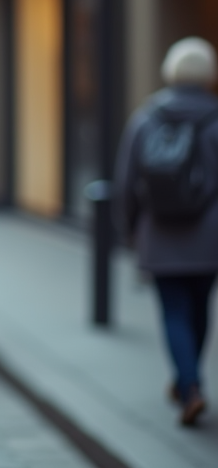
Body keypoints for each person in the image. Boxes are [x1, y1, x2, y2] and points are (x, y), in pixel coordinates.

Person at [114, 37, 218, 427]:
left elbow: (125, 183)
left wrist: (129, 229)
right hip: (209, 236)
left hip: (159, 233)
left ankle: (188, 386)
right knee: (199, 308)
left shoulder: (146, 117)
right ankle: (189, 382)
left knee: (174, 310)